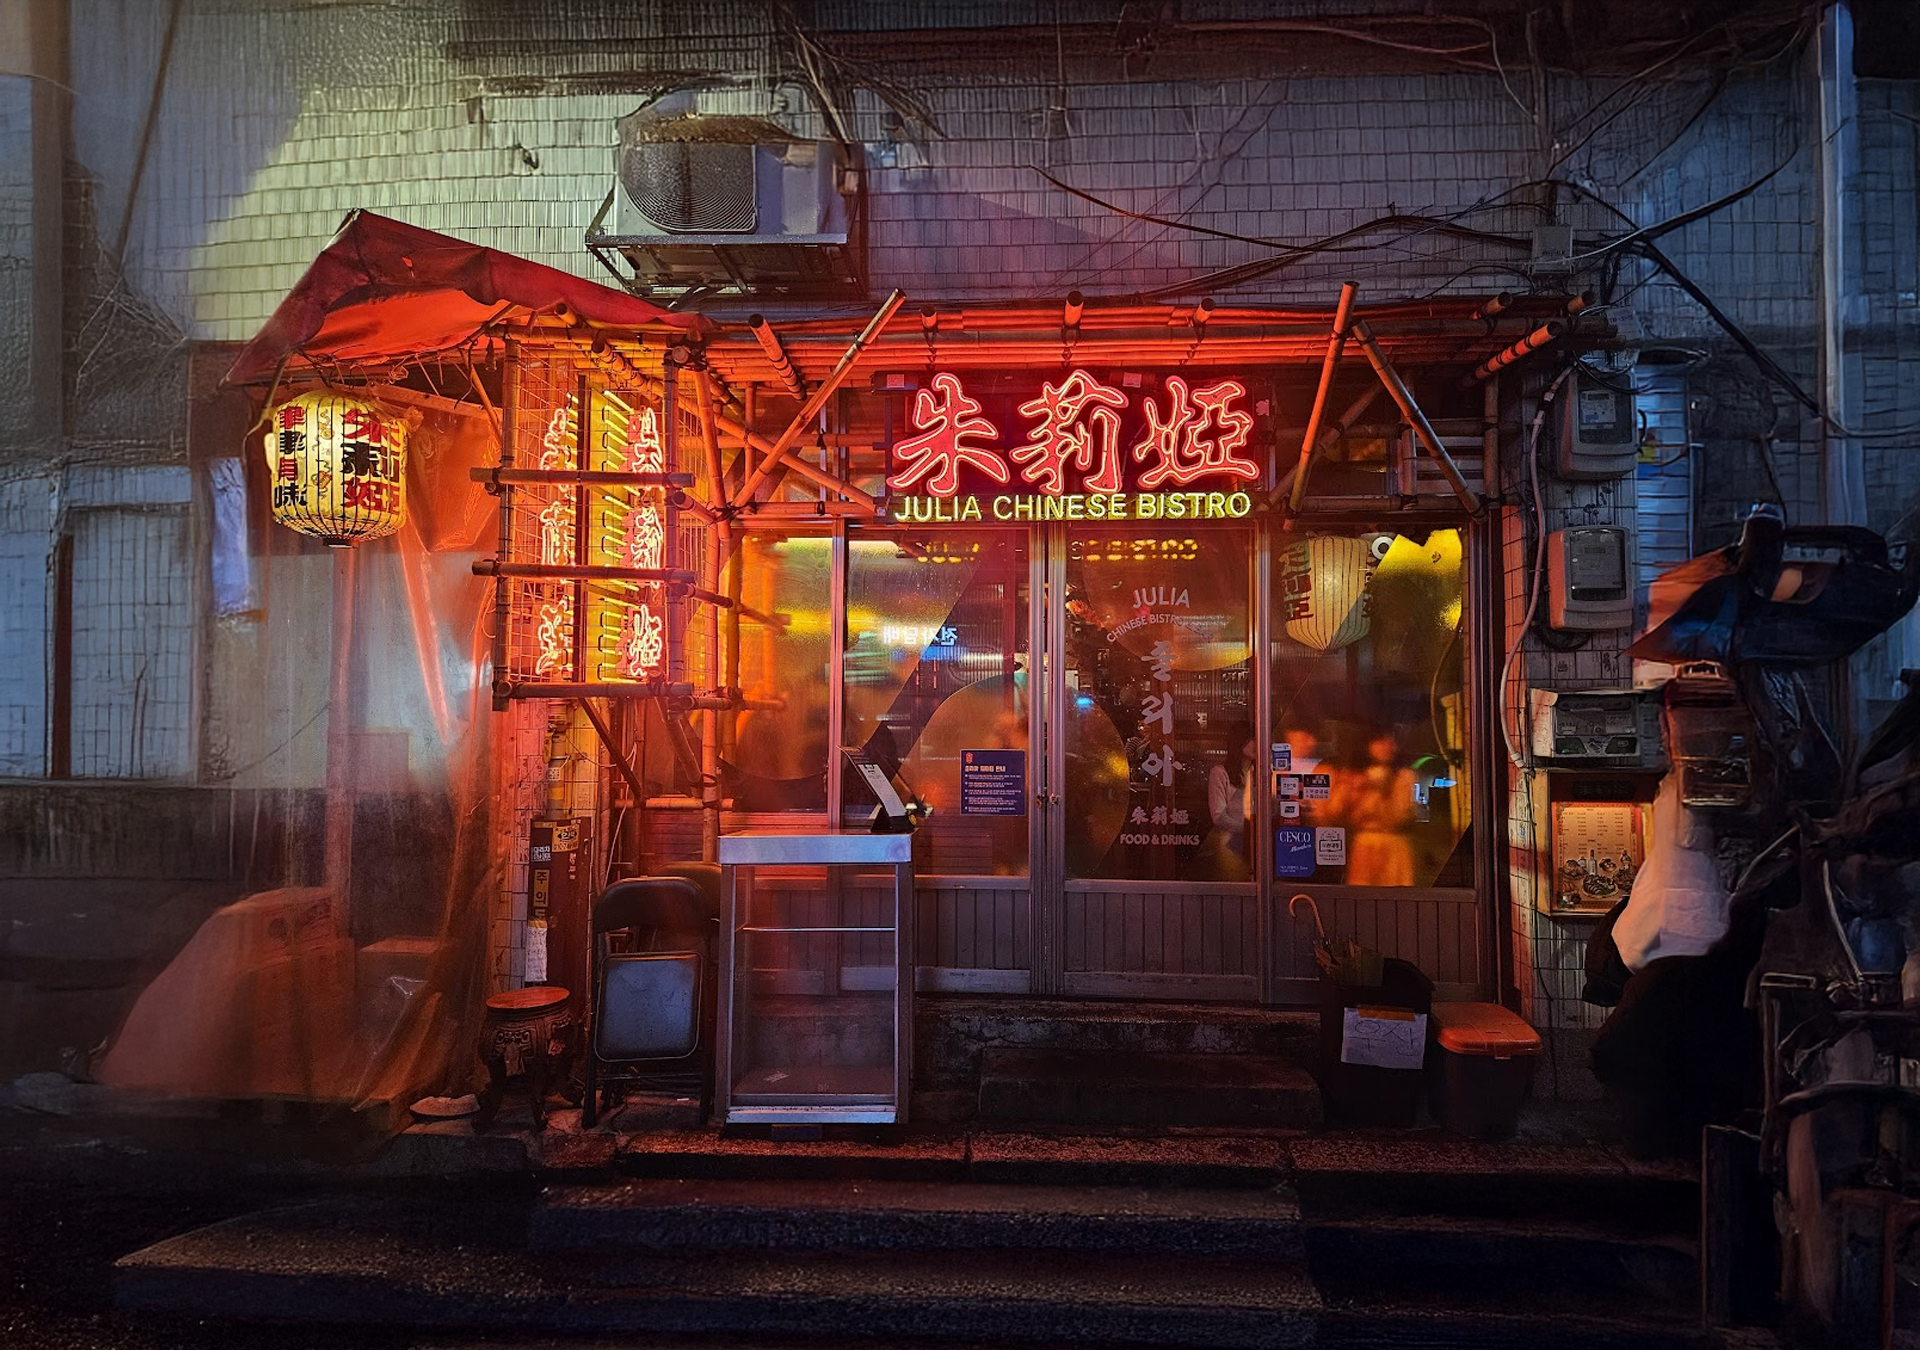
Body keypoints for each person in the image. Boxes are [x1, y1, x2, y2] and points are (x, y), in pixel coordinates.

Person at [1341, 732, 1418, 886]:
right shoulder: (1355, 776)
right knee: (1362, 891)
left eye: (1390, 743)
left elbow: (1400, 816)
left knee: (1394, 892)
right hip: (1365, 843)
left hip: (1394, 844)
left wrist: (1384, 789)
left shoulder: (1405, 776)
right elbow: (1346, 814)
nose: (1385, 747)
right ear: (1369, 746)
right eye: (1379, 742)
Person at [1196, 722, 1255, 881]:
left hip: (1256, 845)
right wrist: (1251, 830)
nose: (1257, 744)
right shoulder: (1220, 773)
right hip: (1230, 845)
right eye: (1251, 739)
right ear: (1239, 743)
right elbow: (1219, 816)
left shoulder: (1259, 773)